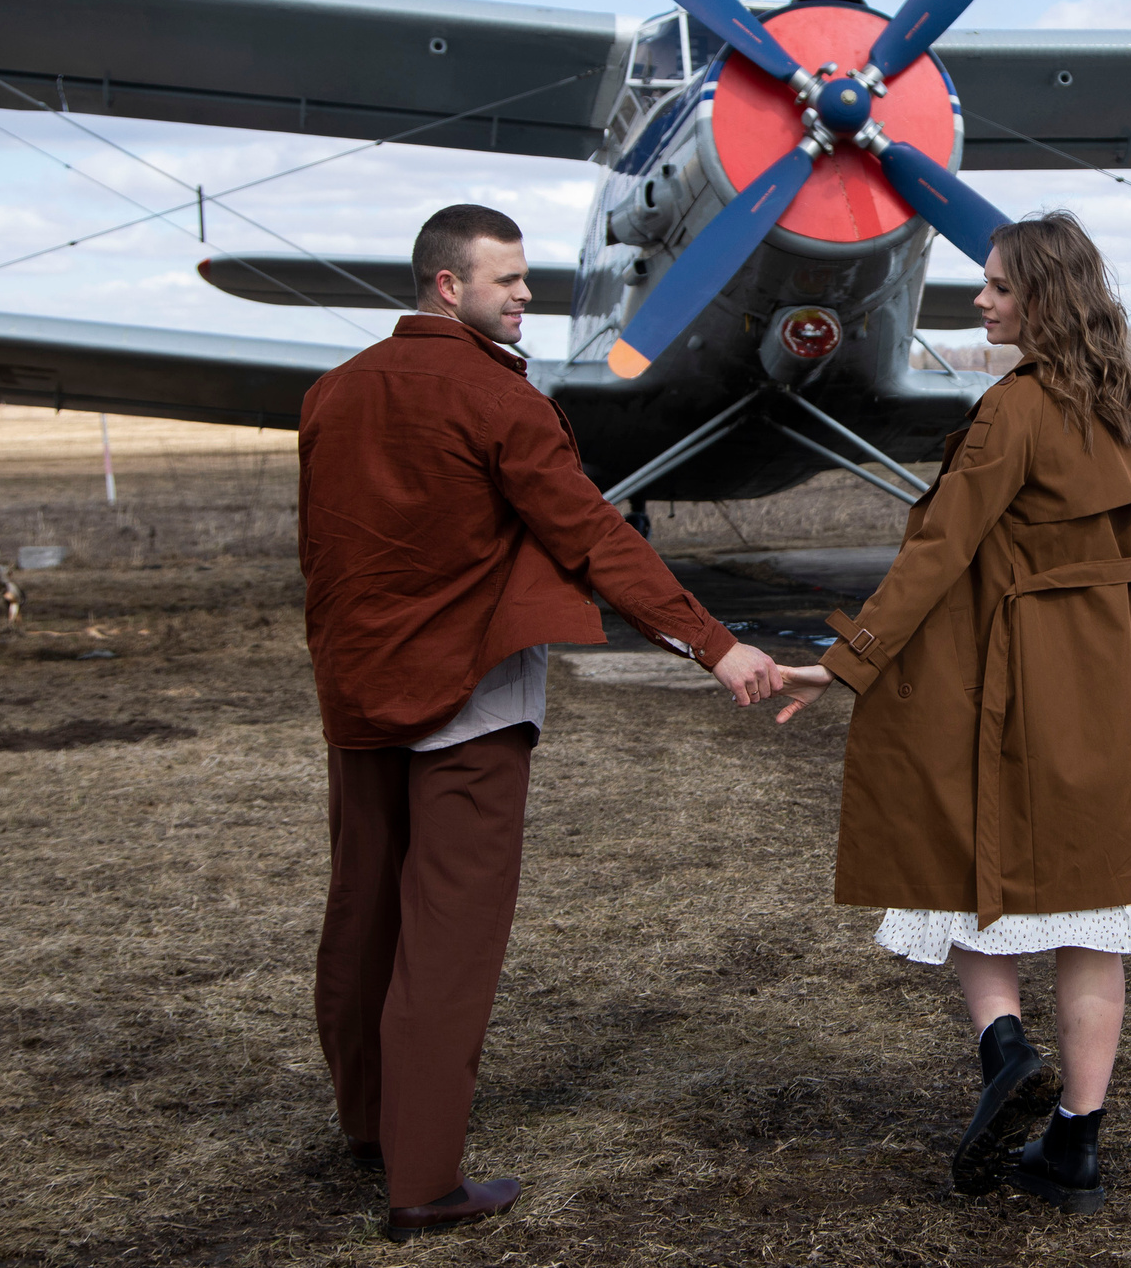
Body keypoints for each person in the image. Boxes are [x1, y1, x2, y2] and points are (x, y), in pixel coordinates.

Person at [300, 202, 785, 1244]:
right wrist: (714, 642)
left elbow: (327, 555)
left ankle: (368, 1126)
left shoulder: (333, 394)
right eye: (509, 280)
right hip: (470, 697)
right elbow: (594, 541)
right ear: (447, 286)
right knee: (449, 942)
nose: (528, 296)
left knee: (361, 916)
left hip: (358, 691)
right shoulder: (497, 398)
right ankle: (422, 1181)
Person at [773, 210, 1131, 1216]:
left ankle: (1004, 1049)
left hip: (1020, 683)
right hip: (1115, 685)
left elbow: (937, 551)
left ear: (1042, 297)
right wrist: (1127, 660)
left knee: (959, 857)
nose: (980, 301)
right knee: (1097, 926)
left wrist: (850, 659)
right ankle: (1074, 1149)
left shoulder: (1011, 411)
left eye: (997, 286)